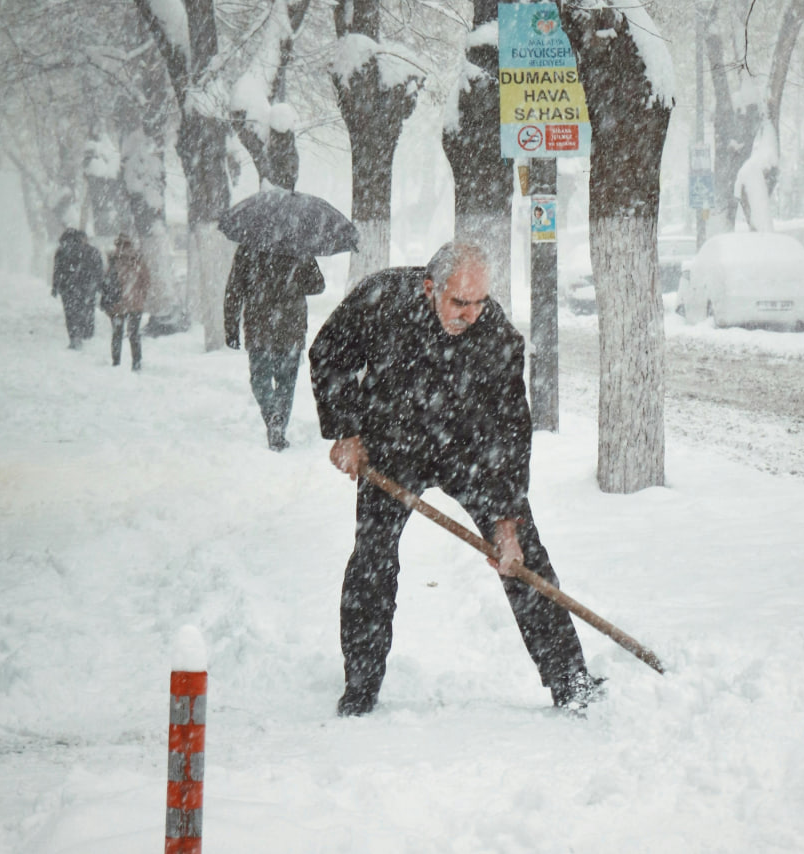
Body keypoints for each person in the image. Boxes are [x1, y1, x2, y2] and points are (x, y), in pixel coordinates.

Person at [308, 241, 601, 717]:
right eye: (459, 302)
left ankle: (571, 680)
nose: (471, 314)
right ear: (430, 288)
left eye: (480, 302)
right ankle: (360, 686)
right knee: (372, 559)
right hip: (392, 448)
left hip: (468, 452)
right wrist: (347, 431)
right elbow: (329, 353)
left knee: (524, 557)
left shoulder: (497, 337)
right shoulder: (382, 300)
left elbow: (511, 430)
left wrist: (506, 522)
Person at [224, 245, 324, 451]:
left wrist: (231, 327)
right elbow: (317, 285)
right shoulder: (298, 246)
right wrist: (294, 281)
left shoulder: (248, 248)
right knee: (286, 383)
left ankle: (272, 415)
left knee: (259, 380)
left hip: (259, 327)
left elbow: (234, 289)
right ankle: (278, 426)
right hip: (291, 326)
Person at [51, 230, 103, 350]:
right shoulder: (91, 251)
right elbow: (98, 270)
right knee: (85, 310)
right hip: (85, 287)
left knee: (71, 313)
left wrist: (55, 286)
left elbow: (57, 270)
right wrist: (99, 285)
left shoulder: (62, 252)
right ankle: (84, 333)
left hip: (69, 287)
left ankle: (75, 336)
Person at [105, 234, 150, 371]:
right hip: (134, 303)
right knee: (133, 334)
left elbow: (106, 282)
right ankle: (136, 362)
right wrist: (141, 296)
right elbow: (146, 281)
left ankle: (116, 362)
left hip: (117, 304)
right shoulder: (137, 260)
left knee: (117, 334)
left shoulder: (113, 260)